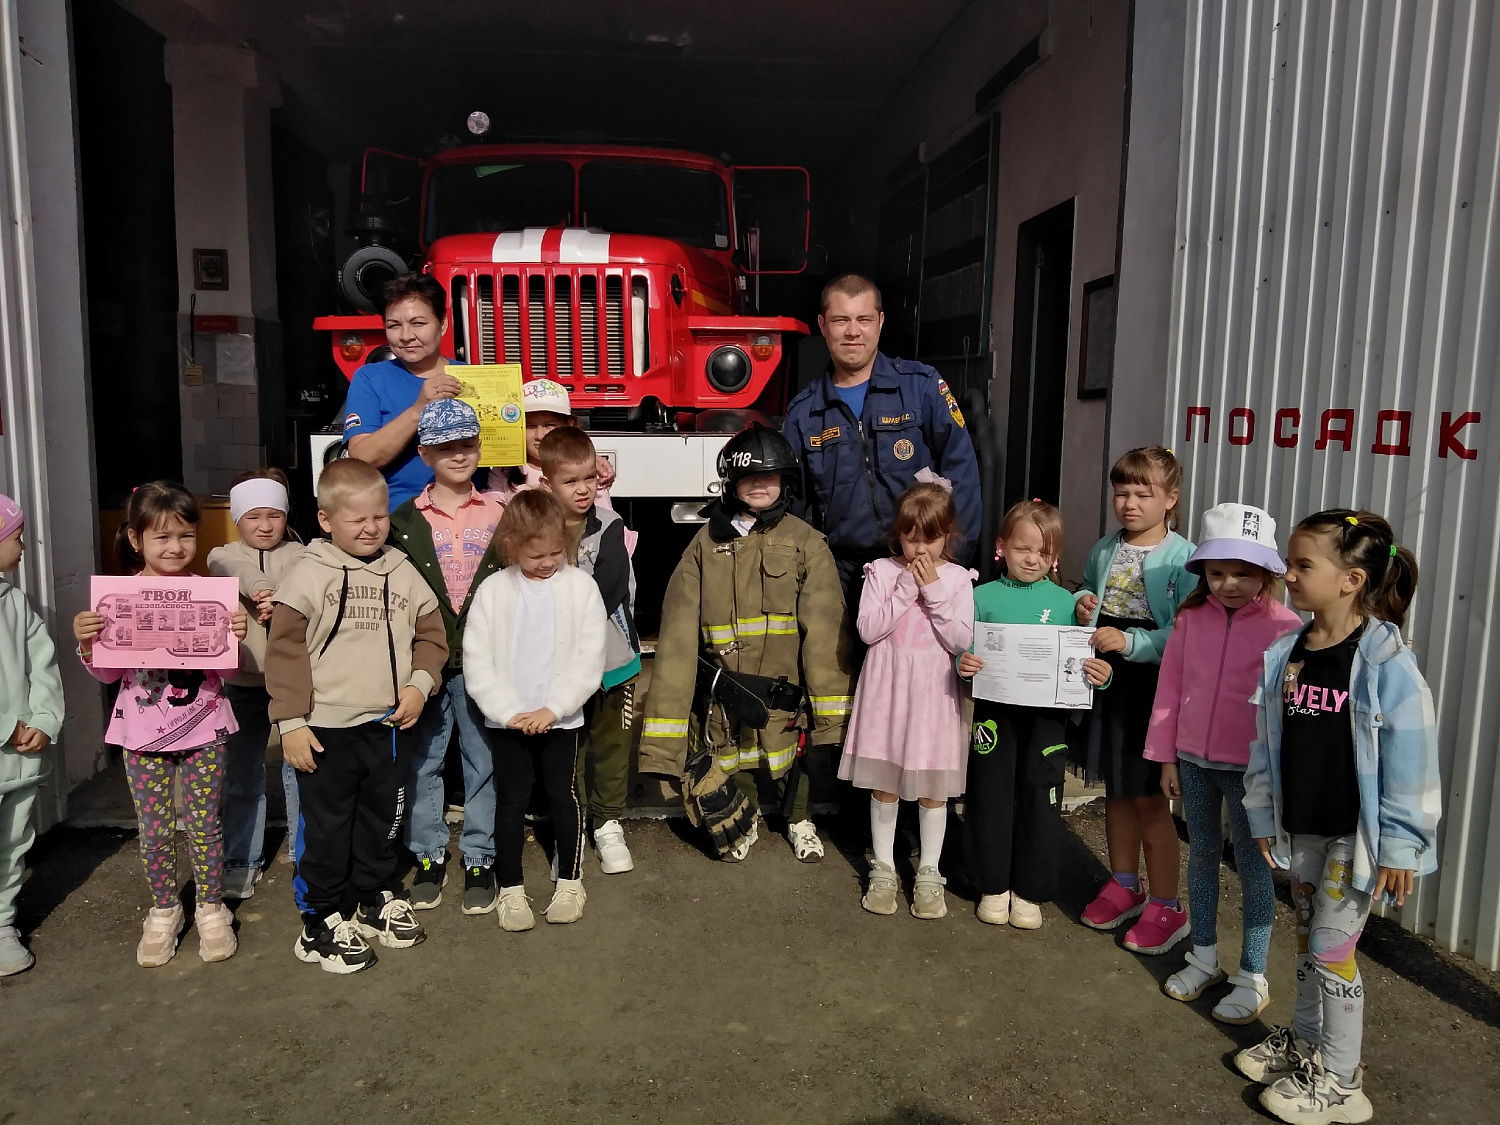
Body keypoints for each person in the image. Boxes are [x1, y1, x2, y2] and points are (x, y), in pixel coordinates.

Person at [1237, 510, 1440, 1125]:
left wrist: (1404, 845)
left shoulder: (1386, 663)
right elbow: (1266, 743)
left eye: (1303, 565)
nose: (1288, 575)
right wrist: (1263, 810)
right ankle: (1304, 1043)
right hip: (1305, 829)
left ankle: (1343, 1078)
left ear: (1352, 579)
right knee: (1307, 939)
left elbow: (1413, 754)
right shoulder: (1285, 653)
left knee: (1332, 948)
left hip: (1358, 839)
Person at [639, 425, 854, 863]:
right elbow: (678, 637)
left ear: (787, 484)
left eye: (769, 477)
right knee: (734, 758)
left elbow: (827, 628)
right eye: (747, 477)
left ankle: (798, 820)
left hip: (786, 693)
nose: (758, 485)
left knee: (795, 764)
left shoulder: (806, 543)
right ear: (730, 484)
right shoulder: (705, 544)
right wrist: (664, 745)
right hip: (727, 694)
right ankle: (747, 816)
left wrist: (831, 716)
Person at [265, 459, 448, 973]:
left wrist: (419, 686)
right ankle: (320, 917)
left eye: (379, 517)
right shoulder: (307, 574)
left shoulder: (401, 569)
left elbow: (432, 638)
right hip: (323, 730)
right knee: (325, 827)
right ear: (326, 520)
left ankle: (375, 893)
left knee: (382, 820)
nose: (371, 529)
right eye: (357, 520)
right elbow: (284, 654)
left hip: (387, 725)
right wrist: (291, 724)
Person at [72, 482, 248, 967]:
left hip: (205, 726)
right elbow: (108, 673)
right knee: (153, 830)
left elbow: (228, 671)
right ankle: (164, 910)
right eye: (162, 537)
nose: (175, 548)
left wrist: (235, 635)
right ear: (135, 539)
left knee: (205, 825)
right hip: (139, 734)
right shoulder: (116, 598)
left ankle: (212, 909)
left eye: (186, 537)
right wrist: (88, 643)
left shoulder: (210, 596)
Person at [1143, 503, 1301, 1023]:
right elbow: (1169, 689)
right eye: (1217, 573)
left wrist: (1283, 774)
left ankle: (1253, 975)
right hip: (1191, 758)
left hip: (1253, 770)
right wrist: (1165, 756)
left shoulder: (1286, 627)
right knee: (1204, 856)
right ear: (1203, 573)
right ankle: (1204, 956)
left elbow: (1289, 709)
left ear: (1266, 574)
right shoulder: (1190, 619)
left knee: (1258, 870)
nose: (1229, 583)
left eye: (1243, 573)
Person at [783, 273, 982, 617]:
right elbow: (790, 508)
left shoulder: (921, 387)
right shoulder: (805, 412)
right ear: (822, 324)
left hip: (924, 566)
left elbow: (962, 473)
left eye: (863, 319)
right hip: (844, 577)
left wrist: (951, 561)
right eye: (840, 320)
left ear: (880, 321)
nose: (852, 331)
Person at [957, 500, 1112, 928]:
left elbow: (1086, 660)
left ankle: (1030, 890)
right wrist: (962, 665)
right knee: (988, 795)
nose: (1032, 559)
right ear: (1001, 547)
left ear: (1055, 557)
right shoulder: (979, 597)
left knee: (1042, 798)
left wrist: (1101, 675)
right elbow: (963, 652)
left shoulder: (1068, 603)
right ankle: (991, 884)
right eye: (1023, 548)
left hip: (1048, 719)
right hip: (994, 714)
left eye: (1043, 553)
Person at [462, 490, 607, 931]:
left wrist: (554, 708)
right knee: (511, 801)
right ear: (511, 546)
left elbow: (590, 656)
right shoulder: (493, 589)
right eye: (536, 554)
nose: (547, 561)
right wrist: (508, 711)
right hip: (509, 720)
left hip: (561, 718)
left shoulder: (582, 587)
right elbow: (477, 657)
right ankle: (510, 889)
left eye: (556, 552)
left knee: (562, 795)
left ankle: (570, 880)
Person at [386, 399, 507, 916]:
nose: (458, 455)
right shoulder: (403, 520)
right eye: (445, 447)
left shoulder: (503, 511)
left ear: (480, 448)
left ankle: (480, 856)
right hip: (426, 660)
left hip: (485, 657)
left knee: (482, 758)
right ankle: (429, 853)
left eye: (467, 445)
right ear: (425, 453)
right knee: (425, 759)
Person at [1074, 446, 1195, 953]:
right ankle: (1125, 883)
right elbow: (1088, 588)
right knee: (1117, 794)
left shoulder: (1185, 558)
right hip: (1107, 682)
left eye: (1143, 494)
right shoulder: (1105, 546)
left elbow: (1186, 632)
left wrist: (1132, 643)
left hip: (1152, 690)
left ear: (1170, 499)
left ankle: (1167, 905)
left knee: (1149, 802)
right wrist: (1082, 601)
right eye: (1121, 492)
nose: (1129, 503)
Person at [839, 472, 974, 919]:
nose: (920, 550)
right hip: (887, 692)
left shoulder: (957, 580)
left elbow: (960, 639)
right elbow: (868, 630)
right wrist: (904, 589)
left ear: (947, 536)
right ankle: (883, 868)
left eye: (931, 540)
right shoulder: (880, 573)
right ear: (898, 535)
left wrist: (932, 590)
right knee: (886, 784)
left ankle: (930, 874)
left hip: (934, 696)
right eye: (911, 539)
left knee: (933, 789)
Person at [539, 425, 642, 874]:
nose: (583, 490)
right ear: (546, 484)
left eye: (589, 479)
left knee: (612, 744)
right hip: (556, 665)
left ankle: (609, 821)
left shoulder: (610, 526)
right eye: (570, 481)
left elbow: (608, 589)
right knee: (568, 747)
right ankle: (572, 821)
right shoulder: (534, 530)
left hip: (612, 661)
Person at [208, 470, 306, 899]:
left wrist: (280, 599)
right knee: (243, 775)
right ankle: (240, 857)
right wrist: (263, 589)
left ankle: (308, 852)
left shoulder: (305, 553)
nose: (264, 525)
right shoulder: (221, 554)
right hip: (242, 681)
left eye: (273, 515)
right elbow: (232, 567)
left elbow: (307, 583)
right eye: (252, 517)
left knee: (299, 769)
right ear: (237, 519)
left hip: (294, 682)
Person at [0, 495, 64, 976]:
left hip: (17, 763)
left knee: (13, 844)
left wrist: (43, 719)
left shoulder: (16, 604)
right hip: (9, 741)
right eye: (17, 537)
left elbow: (43, 667)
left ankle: (2, 925)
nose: (23, 546)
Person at [341, 273, 465, 509]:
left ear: (443, 323)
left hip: (470, 517)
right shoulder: (369, 378)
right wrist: (418, 410)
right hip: (399, 516)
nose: (406, 336)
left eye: (418, 323)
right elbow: (362, 458)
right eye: (394, 325)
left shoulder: (472, 377)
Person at [488, 378, 617, 507]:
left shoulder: (589, 469)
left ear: (569, 424)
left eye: (549, 425)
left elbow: (605, 519)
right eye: (530, 426)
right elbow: (490, 510)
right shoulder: (504, 470)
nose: (539, 435)